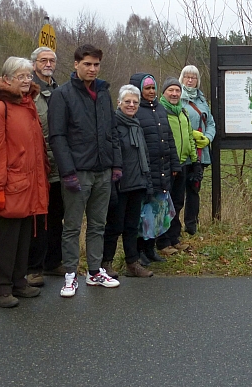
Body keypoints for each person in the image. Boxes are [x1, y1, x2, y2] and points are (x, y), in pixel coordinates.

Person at [48, 43, 122, 297]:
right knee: (71, 226)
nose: (92, 69)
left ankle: (94, 272)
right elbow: (57, 136)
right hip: (78, 172)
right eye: (87, 64)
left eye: (96, 64)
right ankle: (70, 275)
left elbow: (112, 131)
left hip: (103, 170)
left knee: (98, 224)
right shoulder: (63, 95)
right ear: (76, 64)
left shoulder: (103, 93)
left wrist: (116, 164)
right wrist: (67, 172)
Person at [0, 57, 49, 307]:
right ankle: (1, 289)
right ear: (7, 79)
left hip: (29, 185)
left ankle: (19, 282)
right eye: (21, 77)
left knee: (23, 237)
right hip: (9, 185)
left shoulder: (28, 106)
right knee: (6, 239)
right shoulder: (0, 108)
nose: (27, 81)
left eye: (29, 76)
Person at [101, 85, 155, 278]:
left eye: (135, 102)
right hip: (119, 185)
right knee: (114, 226)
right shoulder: (113, 124)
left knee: (132, 227)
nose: (131, 105)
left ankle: (132, 263)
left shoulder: (137, 125)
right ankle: (105, 263)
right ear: (119, 103)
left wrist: (147, 183)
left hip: (137, 183)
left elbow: (145, 156)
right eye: (127, 102)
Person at [129, 73, 179, 265]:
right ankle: (138, 250)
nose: (151, 92)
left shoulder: (160, 109)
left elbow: (169, 138)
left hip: (163, 169)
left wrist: (174, 163)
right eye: (147, 88)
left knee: (158, 212)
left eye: (153, 88)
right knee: (143, 214)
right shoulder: (136, 111)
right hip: (145, 170)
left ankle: (150, 249)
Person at [25, 46, 66, 288]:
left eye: (51, 60)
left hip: (59, 165)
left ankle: (53, 262)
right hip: (38, 165)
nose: (48, 63)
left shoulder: (59, 90)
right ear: (34, 64)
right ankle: (33, 268)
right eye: (43, 60)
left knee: (56, 216)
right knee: (38, 220)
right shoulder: (30, 92)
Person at [157, 78, 198, 256]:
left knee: (178, 203)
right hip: (166, 165)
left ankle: (174, 238)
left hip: (183, 164)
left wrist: (194, 160)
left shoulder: (183, 112)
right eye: (170, 90)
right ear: (164, 93)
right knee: (165, 204)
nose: (174, 94)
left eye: (177, 90)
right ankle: (163, 241)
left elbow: (189, 136)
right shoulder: (160, 111)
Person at [179, 65, 215, 236]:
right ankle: (173, 230)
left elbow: (211, 124)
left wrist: (207, 138)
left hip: (200, 153)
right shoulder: (177, 98)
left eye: (193, 77)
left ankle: (191, 225)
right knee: (177, 192)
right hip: (182, 153)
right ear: (182, 78)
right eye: (187, 77)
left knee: (194, 189)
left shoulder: (202, 101)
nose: (190, 80)